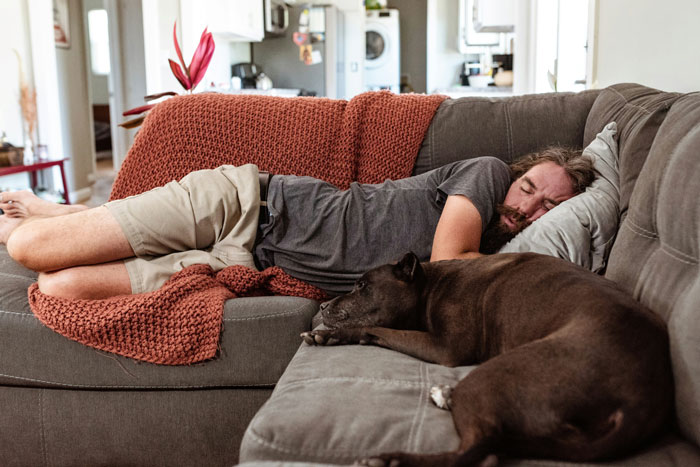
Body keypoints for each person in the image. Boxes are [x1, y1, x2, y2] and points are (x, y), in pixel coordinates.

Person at [0, 147, 594, 299]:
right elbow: (446, 267)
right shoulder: (486, 174)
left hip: (240, 264)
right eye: (529, 187)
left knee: (62, 287)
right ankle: (64, 213)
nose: (528, 208)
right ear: (513, 175)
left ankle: (81, 216)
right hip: (246, 204)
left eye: (548, 209)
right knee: (27, 246)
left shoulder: (495, 241)